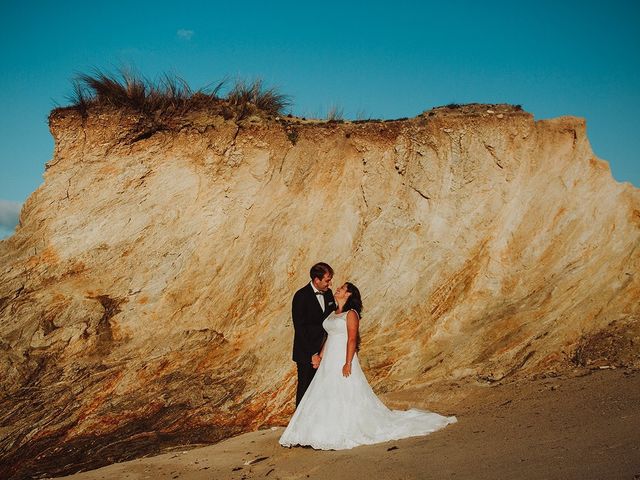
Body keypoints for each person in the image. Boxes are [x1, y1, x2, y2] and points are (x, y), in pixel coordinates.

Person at [280, 282, 457, 450]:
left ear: (349, 294)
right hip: (328, 360)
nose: (338, 289)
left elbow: (351, 339)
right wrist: (320, 355)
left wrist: (348, 362)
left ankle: (342, 429)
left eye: (342, 288)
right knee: (324, 394)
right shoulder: (333, 311)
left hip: (342, 358)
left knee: (344, 392)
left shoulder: (351, 314)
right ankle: (316, 431)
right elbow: (329, 336)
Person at [291, 262, 336, 406]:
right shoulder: (301, 296)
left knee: (322, 389)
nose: (330, 284)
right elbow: (300, 328)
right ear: (317, 280)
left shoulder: (328, 294)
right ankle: (299, 424)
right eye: (327, 280)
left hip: (325, 350)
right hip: (306, 353)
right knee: (305, 389)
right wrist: (313, 354)